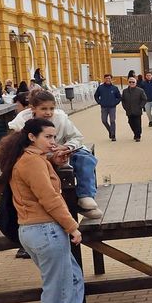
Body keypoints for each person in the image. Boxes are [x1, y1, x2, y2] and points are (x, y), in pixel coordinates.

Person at [0, 118, 85, 303]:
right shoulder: (32, 163)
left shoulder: (27, 159)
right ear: (31, 137)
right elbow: (49, 198)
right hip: (46, 230)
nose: (53, 142)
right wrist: (72, 227)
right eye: (47, 137)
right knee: (58, 287)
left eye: (54, 137)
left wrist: (52, 160)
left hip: (32, 231)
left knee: (72, 280)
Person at [8, 88, 102, 219]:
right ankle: (66, 210)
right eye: (44, 109)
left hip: (61, 152)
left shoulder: (61, 119)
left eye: (51, 109)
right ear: (33, 108)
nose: (48, 112)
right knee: (45, 177)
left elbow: (77, 137)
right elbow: (17, 144)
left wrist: (65, 147)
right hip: (35, 158)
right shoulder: (22, 122)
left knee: (85, 158)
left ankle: (85, 196)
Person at [94, 73, 122, 141]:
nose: (108, 80)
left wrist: (115, 103)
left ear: (111, 79)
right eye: (106, 78)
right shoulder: (100, 87)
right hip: (104, 107)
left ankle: (113, 135)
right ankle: (110, 131)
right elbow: (96, 95)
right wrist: (99, 102)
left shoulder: (114, 88)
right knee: (104, 120)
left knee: (112, 121)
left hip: (112, 107)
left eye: (109, 78)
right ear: (104, 79)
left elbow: (119, 97)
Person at [120, 76, 146, 141]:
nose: (131, 83)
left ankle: (138, 136)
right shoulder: (125, 91)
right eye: (130, 82)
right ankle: (135, 133)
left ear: (136, 83)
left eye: (133, 82)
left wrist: (140, 106)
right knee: (131, 122)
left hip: (137, 110)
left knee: (137, 123)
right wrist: (125, 107)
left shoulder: (140, 90)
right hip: (129, 110)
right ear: (128, 83)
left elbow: (144, 99)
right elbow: (123, 100)